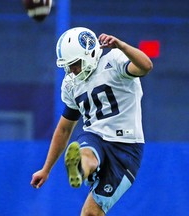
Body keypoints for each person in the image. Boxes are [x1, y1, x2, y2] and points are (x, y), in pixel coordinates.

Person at [30, 27, 153, 216]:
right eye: (68, 65)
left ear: (90, 53)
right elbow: (64, 129)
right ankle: (80, 168)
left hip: (126, 147)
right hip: (95, 136)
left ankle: (82, 167)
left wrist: (121, 45)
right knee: (87, 151)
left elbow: (145, 66)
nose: (72, 70)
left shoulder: (114, 60)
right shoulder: (72, 84)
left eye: (75, 63)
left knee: (90, 213)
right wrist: (46, 169)